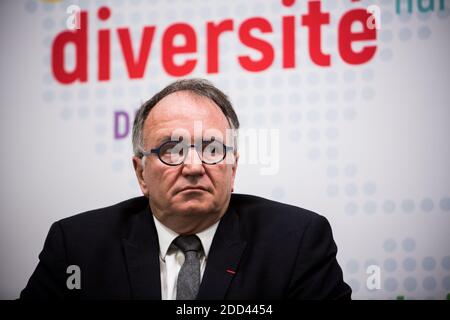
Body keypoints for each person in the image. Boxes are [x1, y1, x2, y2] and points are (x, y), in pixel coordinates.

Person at [20, 78, 351, 300]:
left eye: (211, 149)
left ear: (232, 168)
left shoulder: (297, 241)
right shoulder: (77, 245)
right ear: (141, 173)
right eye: (171, 149)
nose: (193, 167)